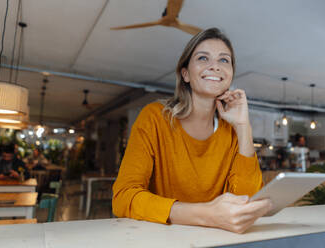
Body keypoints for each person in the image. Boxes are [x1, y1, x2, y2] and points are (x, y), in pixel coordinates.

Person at [112, 28, 272, 233]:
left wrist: (243, 127)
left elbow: (246, 201)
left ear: (230, 74)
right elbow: (123, 197)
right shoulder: (154, 118)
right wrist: (207, 215)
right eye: (203, 58)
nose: (215, 66)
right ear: (185, 74)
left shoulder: (231, 131)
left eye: (224, 60)